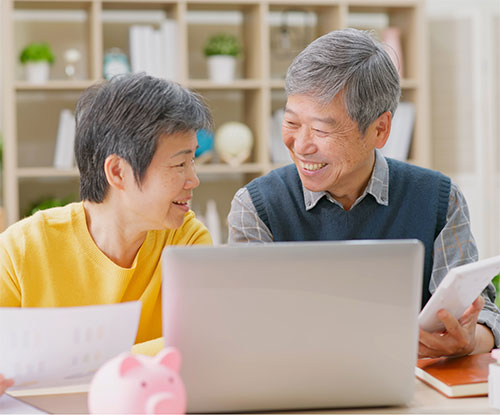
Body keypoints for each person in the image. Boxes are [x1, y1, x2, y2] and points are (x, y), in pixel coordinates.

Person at [227, 28, 500, 358]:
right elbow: (244, 329)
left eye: (321, 129)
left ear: (380, 129)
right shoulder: (256, 207)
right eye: (292, 123)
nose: (301, 146)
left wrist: (471, 340)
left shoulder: (440, 199)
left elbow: (484, 315)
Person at [0, 73, 213, 394]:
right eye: (179, 164)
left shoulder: (186, 240)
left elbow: (201, 340)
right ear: (117, 172)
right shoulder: (23, 248)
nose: (192, 179)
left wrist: (79, 364)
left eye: (193, 160)